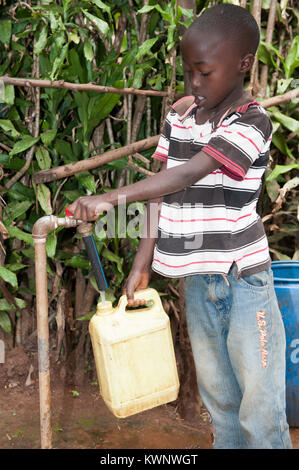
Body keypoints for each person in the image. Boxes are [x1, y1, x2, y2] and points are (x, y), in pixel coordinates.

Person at [69, 4, 292, 449]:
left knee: (261, 409)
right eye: (188, 72)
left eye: (204, 73)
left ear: (243, 64)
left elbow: (188, 173)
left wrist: (109, 199)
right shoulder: (180, 116)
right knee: (222, 404)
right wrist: (141, 263)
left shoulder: (252, 121)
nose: (193, 83)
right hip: (198, 283)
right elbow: (161, 190)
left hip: (245, 282)